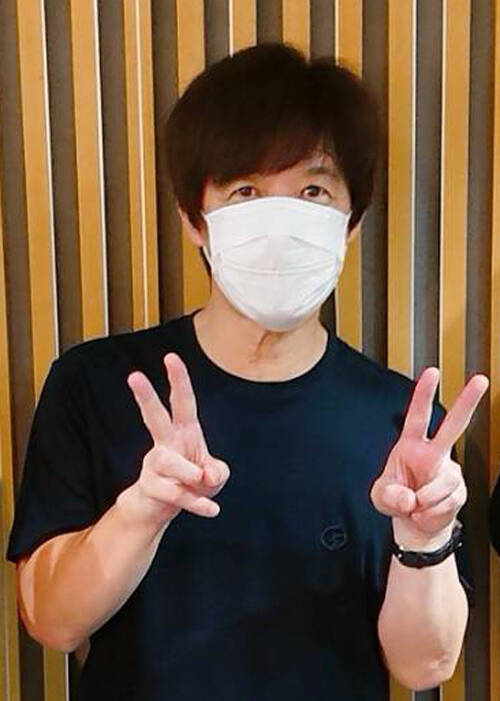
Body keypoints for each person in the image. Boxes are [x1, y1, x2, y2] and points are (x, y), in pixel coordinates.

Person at [5, 43, 488, 700]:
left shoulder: (405, 426)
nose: (280, 224)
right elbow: (51, 622)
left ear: (350, 222)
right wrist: (141, 512)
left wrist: (422, 538)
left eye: (313, 190)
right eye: (246, 191)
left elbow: (424, 666)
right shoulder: (98, 384)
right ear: (194, 220)